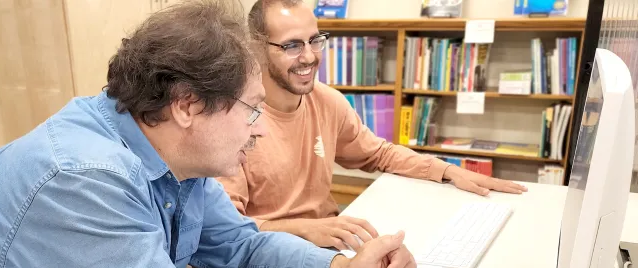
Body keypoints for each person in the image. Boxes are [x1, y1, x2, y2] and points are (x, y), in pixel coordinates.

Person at [0, 1, 419, 268]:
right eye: (251, 109)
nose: (260, 127)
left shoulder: (168, 149)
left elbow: (240, 243)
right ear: (188, 105)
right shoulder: (79, 181)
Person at [215, 0, 529, 252]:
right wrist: (304, 229)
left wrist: (448, 171)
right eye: (292, 46)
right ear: (256, 47)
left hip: (332, 248)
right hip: (269, 255)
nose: (310, 57)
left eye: (315, 41)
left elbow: (377, 154)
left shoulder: (328, 101)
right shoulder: (233, 120)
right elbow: (226, 229)